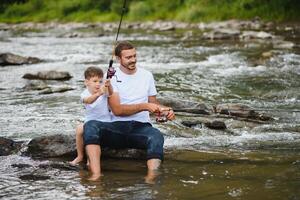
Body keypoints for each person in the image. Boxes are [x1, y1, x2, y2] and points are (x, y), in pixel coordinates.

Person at [84, 41, 175, 181]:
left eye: (134, 56)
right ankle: (96, 175)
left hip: (141, 128)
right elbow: (117, 110)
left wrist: (165, 111)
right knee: (90, 126)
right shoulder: (111, 77)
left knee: (156, 136)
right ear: (119, 59)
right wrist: (144, 106)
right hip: (116, 129)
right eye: (128, 57)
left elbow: (153, 103)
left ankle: (151, 178)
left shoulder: (147, 75)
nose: (133, 60)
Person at [70, 66, 113, 166]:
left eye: (100, 81)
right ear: (86, 82)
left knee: (93, 136)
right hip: (90, 122)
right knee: (79, 129)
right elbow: (89, 101)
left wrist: (109, 86)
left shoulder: (104, 91)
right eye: (95, 81)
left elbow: (111, 93)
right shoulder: (84, 94)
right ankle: (80, 156)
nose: (98, 84)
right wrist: (98, 94)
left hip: (105, 122)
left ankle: (91, 159)